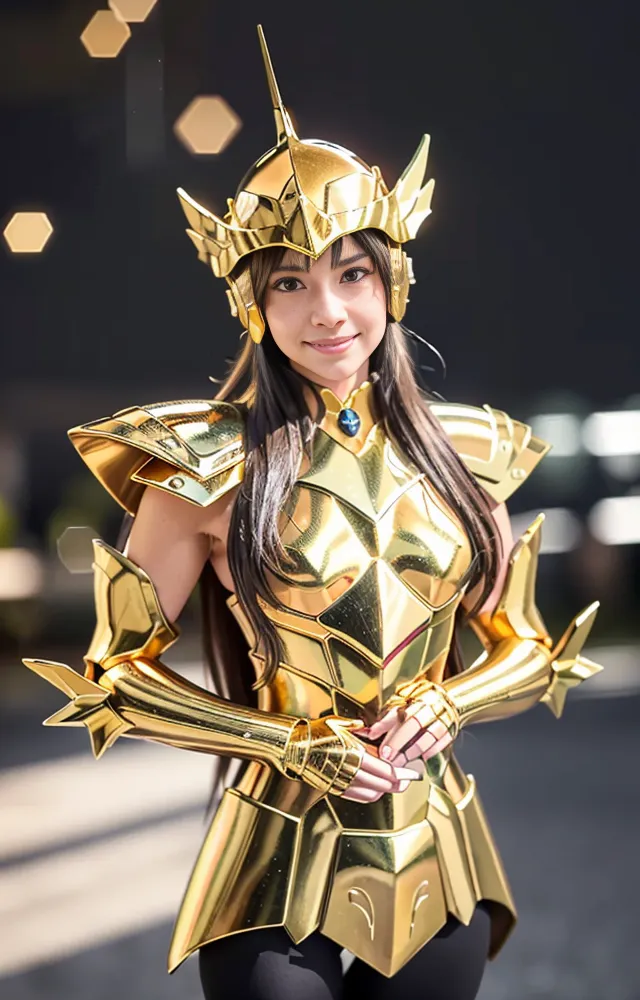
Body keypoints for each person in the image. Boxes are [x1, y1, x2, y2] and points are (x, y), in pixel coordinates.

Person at [24, 25, 602, 1000]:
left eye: (351, 273)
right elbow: (112, 678)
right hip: (271, 857)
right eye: (289, 282)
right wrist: (286, 740)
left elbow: (528, 644)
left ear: (390, 282)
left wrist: (445, 700)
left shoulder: (465, 453)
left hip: (432, 842)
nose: (327, 311)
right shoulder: (204, 467)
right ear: (253, 304)